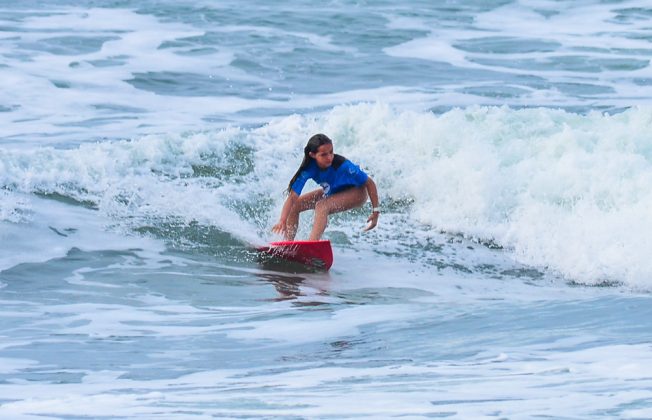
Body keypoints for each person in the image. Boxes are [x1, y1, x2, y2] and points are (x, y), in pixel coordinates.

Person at [272, 133, 380, 241]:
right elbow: (292, 198)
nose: (329, 157)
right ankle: (287, 244)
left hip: (357, 192)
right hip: (333, 191)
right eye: (323, 155)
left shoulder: (343, 165)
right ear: (313, 155)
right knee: (295, 205)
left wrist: (375, 211)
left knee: (322, 206)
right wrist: (282, 220)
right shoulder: (308, 169)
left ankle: (312, 244)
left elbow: (369, 183)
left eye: (331, 152)